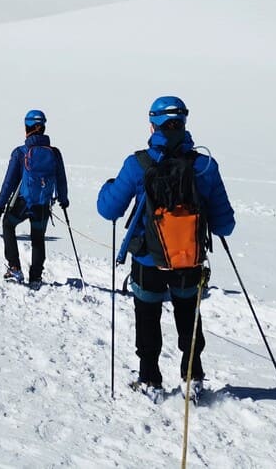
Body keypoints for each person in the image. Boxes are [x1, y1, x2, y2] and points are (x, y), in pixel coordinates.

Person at [96, 96, 235, 402]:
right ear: (184, 123)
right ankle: (192, 377)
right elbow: (225, 226)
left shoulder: (137, 165)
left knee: (147, 317)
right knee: (188, 315)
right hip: (189, 258)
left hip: (148, 259)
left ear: (153, 123)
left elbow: (108, 209)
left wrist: (107, 187)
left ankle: (150, 380)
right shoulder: (205, 167)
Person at [0, 109, 68, 288]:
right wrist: (63, 200)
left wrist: (1, 203)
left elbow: (9, 182)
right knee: (38, 238)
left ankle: (15, 267)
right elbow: (61, 179)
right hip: (43, 204)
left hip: (24, 203)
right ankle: (36, 277)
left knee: (8, 224)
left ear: (27, 127)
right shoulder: (54, 153)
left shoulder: (21, 152)